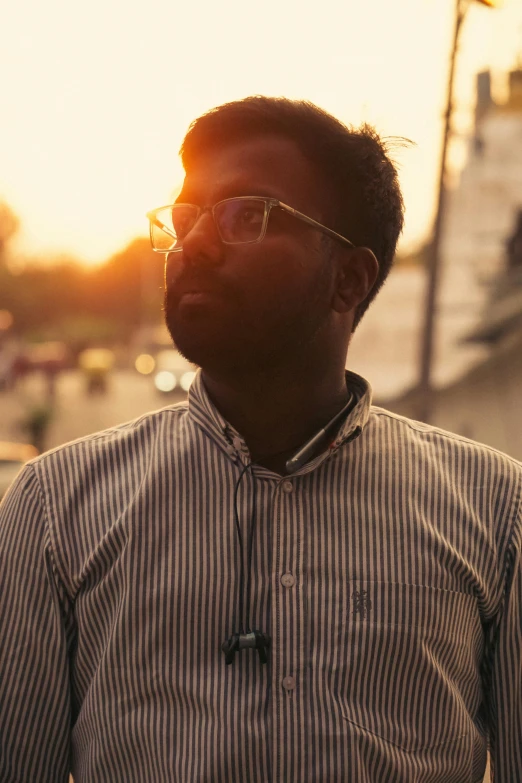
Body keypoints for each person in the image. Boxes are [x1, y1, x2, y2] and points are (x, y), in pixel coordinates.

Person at [0, 97, 520, 783]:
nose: (196, 244)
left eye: (248, 215)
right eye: (186, 218)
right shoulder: (53, 510)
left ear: (349, 279)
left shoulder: (494, 509)